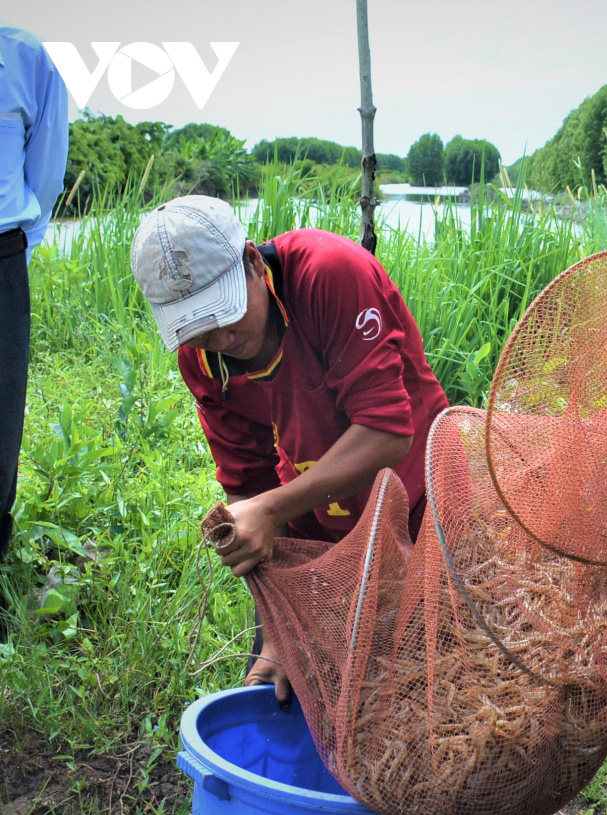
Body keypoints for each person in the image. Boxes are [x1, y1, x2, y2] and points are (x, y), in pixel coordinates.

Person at [130, 196, 449, 706]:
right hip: (317, 529)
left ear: (254, 263)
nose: (221, 336)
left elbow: (389, 431)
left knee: (431, 689)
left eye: (226, 312)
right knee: (287, 690)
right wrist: (278, 626)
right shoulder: (203, 358)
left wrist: (270, 509)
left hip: (420, 507)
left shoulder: (329, 273)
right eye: (198, 327)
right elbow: (248, 482)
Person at [0, 26, 68, 571]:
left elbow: (44, 174)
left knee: (1, 419)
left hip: (0, 256)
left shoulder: (25, 58)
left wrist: (16, 252)